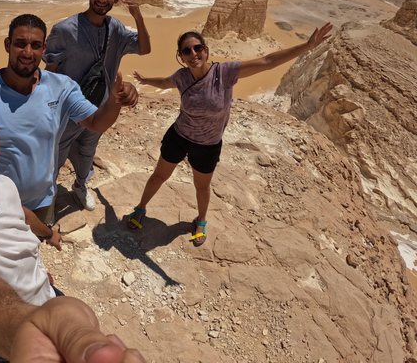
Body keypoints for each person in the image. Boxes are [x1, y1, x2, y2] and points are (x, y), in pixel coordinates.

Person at [0, 88, 145, 363]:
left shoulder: (3, 184)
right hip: (0, 346)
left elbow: (21, 214)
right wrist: (26, 327)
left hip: (47, 296)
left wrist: (48, 235)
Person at [128, 23, 333, 246]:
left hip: (208, 145)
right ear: (181, 57)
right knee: (159, 176)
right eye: (187, 51)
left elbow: (267, 62)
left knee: (202, 187)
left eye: (197, 48)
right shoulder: (182, 77)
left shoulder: (224, 73)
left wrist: (307, 46)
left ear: (205, 50)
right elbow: (166, 82)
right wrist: (146, 81)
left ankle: (201, 220)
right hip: (179, 136)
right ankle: (140, 208)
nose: (193, 54)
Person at [0, 14, 137, 229]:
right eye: (20, 44)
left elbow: (96, 123)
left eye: (35, 45)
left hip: (42, 201)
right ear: (7, 45)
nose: (28, 53)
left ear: (44, 49)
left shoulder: (61, 87)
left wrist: (115, 100)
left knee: (33, 248)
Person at [44, 0, 150, 210]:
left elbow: (144, 48)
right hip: (68, 111)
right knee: (54, 159)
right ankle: (46, 201)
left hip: (100, 109)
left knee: (87, 152)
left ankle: (80, 185)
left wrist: (138, 16)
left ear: (115, 0)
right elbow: (48, 74)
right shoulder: (65, 30)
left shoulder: (117, 29)